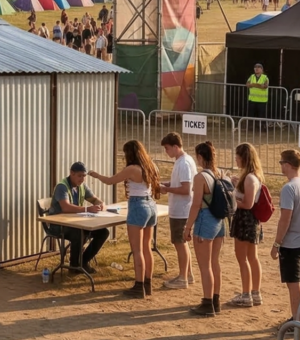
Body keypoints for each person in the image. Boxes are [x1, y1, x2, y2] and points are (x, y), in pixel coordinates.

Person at [88, 141, 162, 299]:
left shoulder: (132, 169)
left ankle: (139, 285)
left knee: (137, 250)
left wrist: (96, 175)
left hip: (138, 205)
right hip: (150, 205)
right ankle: (147, 283)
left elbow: (110, 181)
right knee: (147, 247)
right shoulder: (151, 166)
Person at [271, 150, 300, 327]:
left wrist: (277, 243)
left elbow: (285, 218)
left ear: (288, 165)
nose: (280, 166)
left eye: (281, 162)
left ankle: (297, 322)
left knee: (293, 283)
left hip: (292, 243)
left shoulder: (289, 188)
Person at [184, 141, 226, 316]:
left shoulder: (200, 177)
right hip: (219, 221)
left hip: (205, 219)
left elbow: (196, 205)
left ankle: (207, 302)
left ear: (200, 157)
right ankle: (215, 299)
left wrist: (187, 227)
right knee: (214, 263)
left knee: (204, 265)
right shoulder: (219, 173)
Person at [48, 162, 110, 275]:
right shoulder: (62, 186)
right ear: (72, 173)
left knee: (103, 232)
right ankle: (74, 266)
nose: (82, 179)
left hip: (76, 222)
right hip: (58, 225)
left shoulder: (82, 186)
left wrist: (101, 204)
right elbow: (65, 207)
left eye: (84, 176)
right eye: (79, 175)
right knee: (79, 233)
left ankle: (83, 262)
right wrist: (87, 209)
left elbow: (94, 199)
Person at [159, 132, 197, 290]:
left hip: (182, 210)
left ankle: (183, 277)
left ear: (175, 147)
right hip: (180, 209)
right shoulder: (182, 161)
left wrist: (167, 189)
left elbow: (186, 188)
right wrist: (166, 184)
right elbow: (180, 183)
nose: (166, 152)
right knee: (182, 243)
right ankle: (187, 274)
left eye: (167, 148)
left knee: (179, 243)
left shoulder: (184, 163)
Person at [228, 143, 264, 308]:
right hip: (251, 221)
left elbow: (248, 204)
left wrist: (231, 199)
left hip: (245, 219)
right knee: (252, 257)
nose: (236, 159)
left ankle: (246, 294)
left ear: (244, 157)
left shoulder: (249, 178)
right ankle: (255, 292)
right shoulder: (253, 176)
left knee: (242, 258)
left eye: (237, 156)